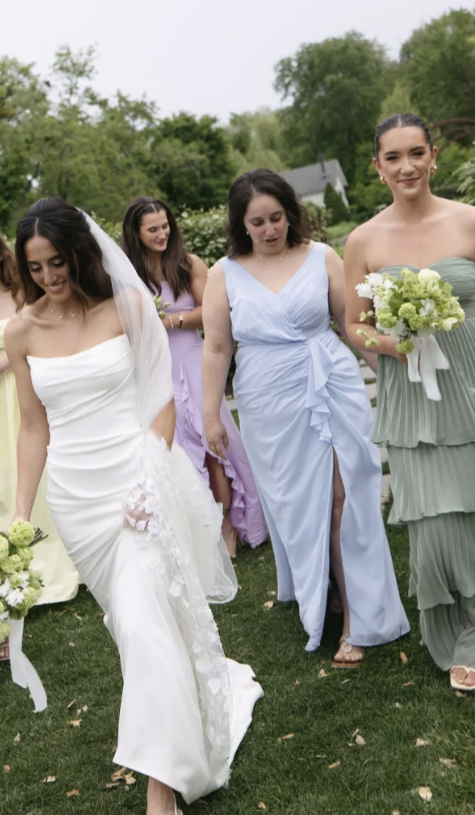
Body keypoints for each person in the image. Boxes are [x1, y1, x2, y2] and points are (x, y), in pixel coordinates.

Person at [4, 197, 262, 815]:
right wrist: (21, 516)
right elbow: (33, 427)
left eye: (58, 261)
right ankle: (183, 728)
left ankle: (161, 798)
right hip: (78, 500)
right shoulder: (20, 331)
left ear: (80, 254)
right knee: (134, 632)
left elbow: (163, 397)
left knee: (147, 628)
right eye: (35, 267)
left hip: (137, 479)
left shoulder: (124, 305)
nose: (50, 276)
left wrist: (151, 474)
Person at [202, 171, 409, 666]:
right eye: (258, 222)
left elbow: (349, 324)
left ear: (289, 213)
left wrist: (396, 376)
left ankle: (358, 619)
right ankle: (328, 586)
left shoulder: (322, 256)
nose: (270, 229)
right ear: (242, 224)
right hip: (266, 399)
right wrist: (212, 413)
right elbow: (215, 348)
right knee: (298, 503)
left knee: (344, 494)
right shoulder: (223, 273)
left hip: (330, 380)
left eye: (276, 218)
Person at [344, 114, 475, 691]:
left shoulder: (469, 221)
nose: (406, 167)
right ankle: (461, 631)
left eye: (415, 154)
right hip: (414, 400)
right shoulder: (363, 241)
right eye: (393, 158)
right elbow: (355, 324)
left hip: (470, 382)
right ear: (378, 169)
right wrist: (394, 345)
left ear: (434, 156)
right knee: (439, 526)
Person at [122, 197, 267, 556]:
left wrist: (171, 320)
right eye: (152, 229)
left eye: (165, 225)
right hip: (156, 369)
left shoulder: (189, 264)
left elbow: (212, 314)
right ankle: (198, 528)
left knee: (212, 446)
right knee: (179, 452)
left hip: (192, 359)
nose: (162, 233)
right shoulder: (127, 277)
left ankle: (228, 526)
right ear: (136, 234)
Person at [0, 226, 79, 635]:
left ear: (1, 256)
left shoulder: (20, 294)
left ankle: (51, 566)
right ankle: (2, 567)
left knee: (32, 470)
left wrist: (6, 363)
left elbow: (35, 337)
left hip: (19, 388)